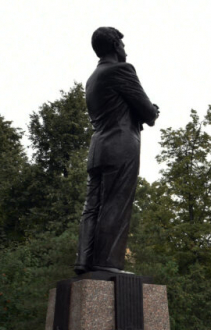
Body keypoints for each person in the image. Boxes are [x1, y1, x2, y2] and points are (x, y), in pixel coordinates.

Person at [74, 27, 160, 275]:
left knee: (92, 207)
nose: (125, 49)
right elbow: (148, 112)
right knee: (115, 205)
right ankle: (107, 263)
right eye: (122, 44)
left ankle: (84, 260)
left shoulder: (93, 78)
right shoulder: (122, 70)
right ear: (115, 45)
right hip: (121, 147)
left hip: (98, 148)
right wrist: (153, 110)